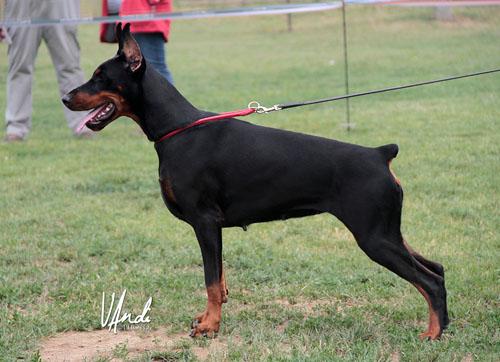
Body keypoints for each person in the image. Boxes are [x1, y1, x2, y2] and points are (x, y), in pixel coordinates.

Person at [2, 0, 92, 142]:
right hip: (21, 6)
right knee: (20, 68)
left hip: (60, 5)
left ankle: (82, 125)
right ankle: (16, 128)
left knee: (70, 66)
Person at [100, 0, 174, 84]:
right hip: (135, 19)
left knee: (156, 69)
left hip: (147, 20)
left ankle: (167, 97)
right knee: (135, 70)